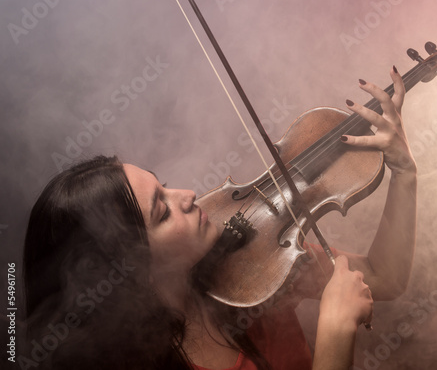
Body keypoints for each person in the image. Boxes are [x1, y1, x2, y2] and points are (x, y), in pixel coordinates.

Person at [22, 67, 416, 370]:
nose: (189, 196)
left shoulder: (253, 261)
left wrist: (405, 172)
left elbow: (385, 276)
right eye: (162, 211)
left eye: (165, 185)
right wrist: (334, 335)